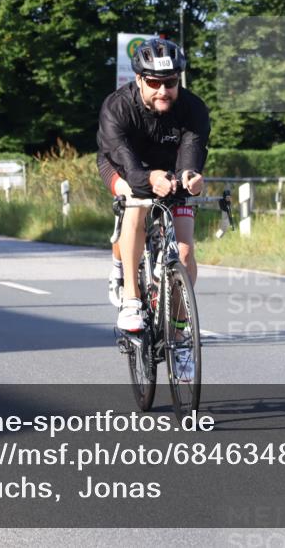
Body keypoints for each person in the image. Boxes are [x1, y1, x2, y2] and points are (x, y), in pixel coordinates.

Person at [96, 38, 210, 378]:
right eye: (155, 83)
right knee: (135, 201)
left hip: (170, 174)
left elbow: (192, 153)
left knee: (186, 253)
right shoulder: (117, 107)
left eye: (171, 83)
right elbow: (129, 167)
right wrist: (148, 178)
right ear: (140, 80)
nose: (164, 90)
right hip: (123, 166)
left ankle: (179, 338)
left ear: (179, 81)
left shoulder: (193, 108)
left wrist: (190, 177)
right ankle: (130, 293)